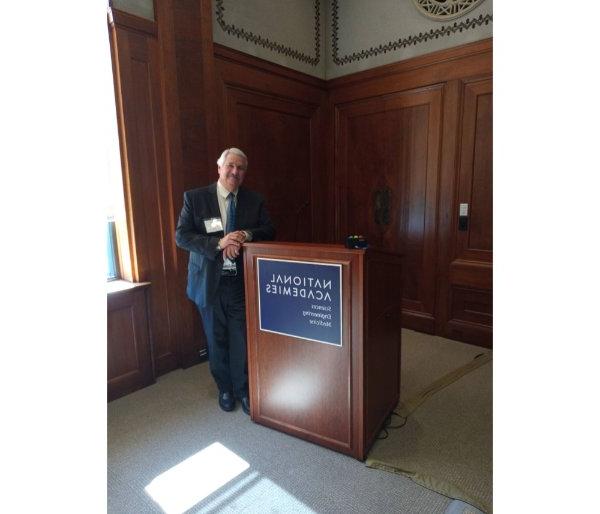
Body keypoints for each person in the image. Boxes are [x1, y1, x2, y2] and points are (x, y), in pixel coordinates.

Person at [175, 148, 275, 414]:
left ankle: (244, 390)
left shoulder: (254, 200)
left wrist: (245, 234)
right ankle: (225, 389)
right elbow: (182, 236)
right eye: (230, 166)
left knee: (240, 339)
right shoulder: (195, 199)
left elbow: (269, 230)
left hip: (241, 283)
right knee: (215, 339)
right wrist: (219, 243)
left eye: (240, 168)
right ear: (219, 168)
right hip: (209, 283)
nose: (235, 172)